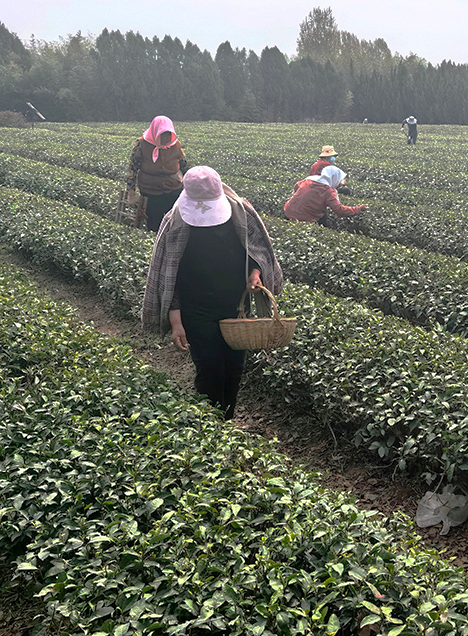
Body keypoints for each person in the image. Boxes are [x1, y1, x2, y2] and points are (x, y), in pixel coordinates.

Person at [142, 166, 283, 420]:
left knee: (234, 367)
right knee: (209, 369)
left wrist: (255, 274)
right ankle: (211, 426)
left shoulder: (241, 213)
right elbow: (169, 275)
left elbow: (256, 252)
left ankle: (226, 421)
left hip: (234, 306)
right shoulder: (174, 221)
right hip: (196, 309)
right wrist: (176, 321)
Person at [126, 116, 190, 232]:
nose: (166, 138)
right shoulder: (142, 144)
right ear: (155, 131)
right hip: (151, 190)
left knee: (175, 223)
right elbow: (133, 169)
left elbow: (184, 165)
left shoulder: (175, 144)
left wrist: (191, 186)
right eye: (162, 134)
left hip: (173, 188)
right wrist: (131, 193)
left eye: (168, 134)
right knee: (155, 224)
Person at [284, 165, 368, 225]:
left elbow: (296, 186)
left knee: (323, 212)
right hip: (303, 219)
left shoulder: (308, 180)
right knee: (323, 217)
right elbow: (340, 210)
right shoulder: (327, 192)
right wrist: (359, 209)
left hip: (288, 211)